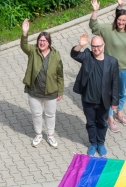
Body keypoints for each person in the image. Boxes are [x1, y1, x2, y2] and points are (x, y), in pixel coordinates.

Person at [89, 0, 126, 132]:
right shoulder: (108, 30)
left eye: (124, 20)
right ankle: (110, 119)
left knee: (122, 93)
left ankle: (120, 113)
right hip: (110, 69)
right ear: (116, 19)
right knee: (110, 94)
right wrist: (95, 11)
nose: (121, 22)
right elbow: (94, 26)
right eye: (119, 20)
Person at [71, 32, 120, 157]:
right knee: (91, 123)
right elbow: (74, 54)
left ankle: (101, 143)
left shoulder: (112, 62)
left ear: (104, 45)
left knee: (102, 123)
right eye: (93, 46)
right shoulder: (87, 56)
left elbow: (115, 83)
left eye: (98, 46)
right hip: (88, 99)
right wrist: (80, 45)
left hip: (104, 100)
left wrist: (115, 101)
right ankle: (93, 143)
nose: (96, 49)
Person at [20, 19, 64, 148]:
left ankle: (50, 135)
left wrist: (60, 91)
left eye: (44, 40)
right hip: (34, 91)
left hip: (51, 92)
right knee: (37, 114)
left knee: (50, 114)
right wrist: (24, 33)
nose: (42, 42)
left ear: (49, 42)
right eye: (40, 40)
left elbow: (60, 75)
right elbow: (24, 46)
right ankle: (38, 134)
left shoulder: (56, 55)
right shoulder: (33, 51)